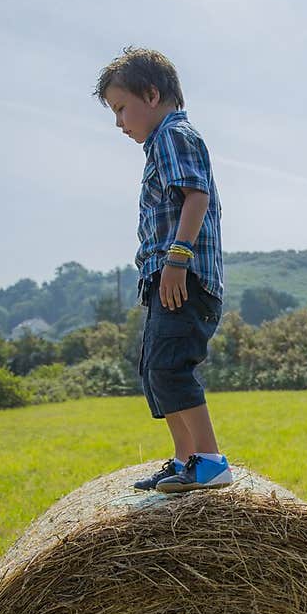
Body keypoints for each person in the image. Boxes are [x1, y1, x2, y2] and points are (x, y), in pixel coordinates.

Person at [94, 45, 232, 493]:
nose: (119, 123)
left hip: (183, 277)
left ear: (151, 95)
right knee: (156, 371)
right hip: (166, 280)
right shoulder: (160, 144)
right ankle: (184, 459)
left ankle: (210, 460)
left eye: (120, 109)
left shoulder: (174, 134)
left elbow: (196, 196)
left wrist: (177, 259)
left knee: (171, 368)